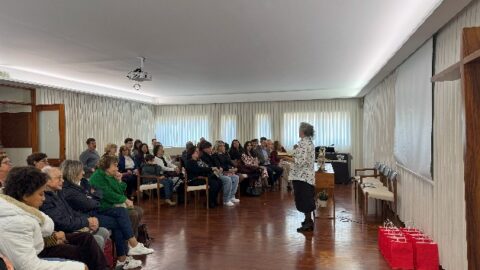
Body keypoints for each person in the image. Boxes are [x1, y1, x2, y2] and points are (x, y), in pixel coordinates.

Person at [0, 166, 105, 270]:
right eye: (41, 194)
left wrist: (53, 238)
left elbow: (37, 234)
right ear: (25, 195)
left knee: (85, 239)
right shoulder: (15, 222)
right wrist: (77, 267)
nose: (44, 198)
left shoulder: (24, 210)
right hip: (36, 257)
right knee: (77, 253)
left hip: (42, 245)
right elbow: (28, 266)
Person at [61, 160, 153, 269]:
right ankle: (126, 254)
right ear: (74, 172)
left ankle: (128, 252)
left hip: (94, 211)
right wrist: (92, 196)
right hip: (88, 217)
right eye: (81, 171)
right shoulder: (69, 190)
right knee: (121, 221)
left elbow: (101, 193)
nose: (84, 173)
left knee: (121, 213)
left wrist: (118, 182)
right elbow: (90, 203)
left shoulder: (84, 182)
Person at [40, 166, 110, 250]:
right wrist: (86, 222)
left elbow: (71, 211)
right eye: (59, 178)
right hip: (61, 233)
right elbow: (61, 223)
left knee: (103, 231)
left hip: (71, 226)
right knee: (98, 239)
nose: (62, 180)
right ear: (47, 181)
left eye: (62, 177)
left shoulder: (58, 192)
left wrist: (88, 219)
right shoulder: (44, 199)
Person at [89, 155, 145, 238]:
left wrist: (119, 180)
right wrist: (125, 200)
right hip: (103, 207)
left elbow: (119, 191)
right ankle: (130, 241)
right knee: (133, 214)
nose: (117, 168)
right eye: (115, 165)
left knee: (139, 210)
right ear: (106, 166)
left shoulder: (109, 174)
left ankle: (133, 239)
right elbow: (107, 194)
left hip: (113, 204)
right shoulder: (97, 176)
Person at [283, 122, 316, 232]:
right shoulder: (307, 142)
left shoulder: (304, 144)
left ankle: (308, 223)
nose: (298, 131)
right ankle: (308, 220)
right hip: (305, 176)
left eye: (299, 129)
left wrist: (286, 158)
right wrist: (296, 150)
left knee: (304, 199)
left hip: (302, 176)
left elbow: (300, 161)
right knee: (307, 198)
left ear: (302, 131)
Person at [212, 140, 240, 204]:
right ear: (218, 147)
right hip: (219, 173)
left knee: (236, 177)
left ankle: (232, 197)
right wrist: (229, 169)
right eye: (221, 146)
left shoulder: (225, 154)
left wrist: (235, 167)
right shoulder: (215, 155)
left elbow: (230, 162)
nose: (223, 147)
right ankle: (226, 200)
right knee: (228, 179)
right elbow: (219, 166)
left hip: (227, 172)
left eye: (223, 146)